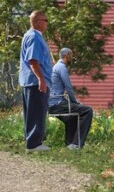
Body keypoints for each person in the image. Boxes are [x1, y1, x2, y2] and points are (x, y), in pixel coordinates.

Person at [48, 47, 94, 149]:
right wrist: (75, 102)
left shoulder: (56, 67)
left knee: (72, 116)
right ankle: (77, 144)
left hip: (52, 103)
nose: (72, 58)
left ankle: (70, 144)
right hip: (57, 104)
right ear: (66, 56)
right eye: (71, 55)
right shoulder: (61, 67)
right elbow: (68, 88)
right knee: (87, 111)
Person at [20, 10, 52, 151]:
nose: (47, 24)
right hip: (35, 82)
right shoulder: (34, 37)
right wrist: (41, 79)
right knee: (37, 112)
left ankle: (33, 142)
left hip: (30, 81)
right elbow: (33, 60)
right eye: (46, 20)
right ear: (38, 22)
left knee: (32, 112)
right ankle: (34, 144)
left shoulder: (30, 35)